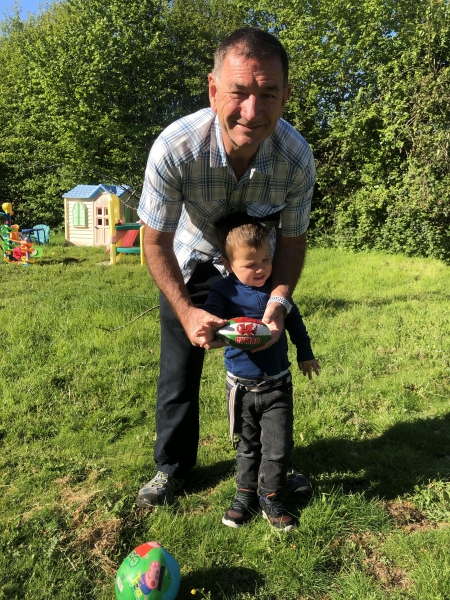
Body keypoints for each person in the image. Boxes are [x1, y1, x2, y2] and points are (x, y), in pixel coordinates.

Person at [136, 26, 316, 508]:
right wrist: (187, 311)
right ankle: (171, 468)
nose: (252, 111)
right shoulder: (176, 148)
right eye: (239, 92)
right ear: (214, 90)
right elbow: (155, 240)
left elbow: (293, 241)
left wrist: (279, 302)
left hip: (256, 266)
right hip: (192, 261)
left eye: (268, 93)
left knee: (271, 366)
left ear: (285, 96)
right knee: (179, 370)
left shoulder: (297, 158)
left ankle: (274, 461)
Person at [197, 213, 319, 530]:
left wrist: (305, 353)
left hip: (277, 386)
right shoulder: (223, 293)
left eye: (266, 259)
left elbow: (295, 322)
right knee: (247, 446)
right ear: (228, 264)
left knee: (278, 448)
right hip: (240, 388)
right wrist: (209, 325)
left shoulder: (276, 292)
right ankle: (244, 494)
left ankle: (271, 497)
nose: (261, 268)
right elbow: (211, 315)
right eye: (250, 264)